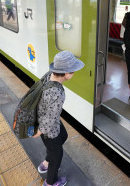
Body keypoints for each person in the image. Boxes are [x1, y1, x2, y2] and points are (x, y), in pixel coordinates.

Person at [33, 51, 85, 186]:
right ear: (66, 73)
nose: (74, 73)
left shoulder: (49, 75)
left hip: (48, 120)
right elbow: (49, 118)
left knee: (64, 135)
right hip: (48, 129)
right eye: (73, 70)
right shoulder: (57, 93)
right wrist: (40, 131)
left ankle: (46, 164)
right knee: (57, 155)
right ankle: (50, 182)